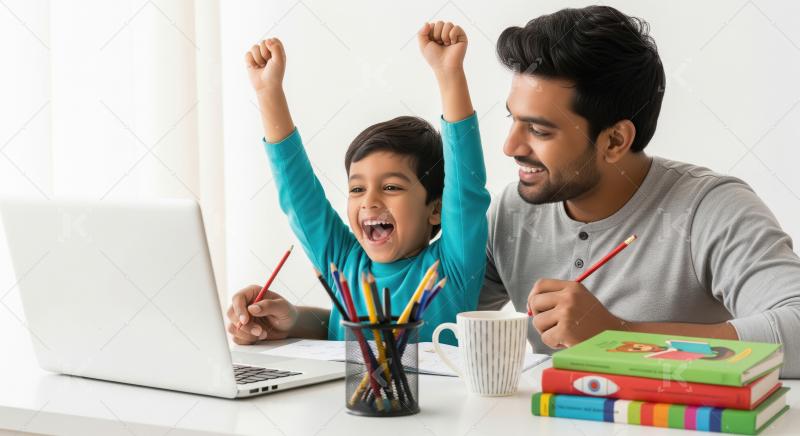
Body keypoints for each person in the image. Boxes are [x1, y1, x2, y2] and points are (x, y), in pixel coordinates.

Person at [479, 5, 800, 376]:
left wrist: (620, 336)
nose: (510, 146)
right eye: (512, 119)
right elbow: (430, 321)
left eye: (539, 130)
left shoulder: (710, 208)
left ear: (615, 140)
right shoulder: (511, 211)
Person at [226, 21, 490, 345]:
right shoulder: (344, 261)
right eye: (356, 189)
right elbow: (299, 197)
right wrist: (268, 92)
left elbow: (467, 187)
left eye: (391, 187)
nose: (369, 201)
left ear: (435, 209)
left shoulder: (451, 267)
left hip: (427, 399)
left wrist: (449, 74)